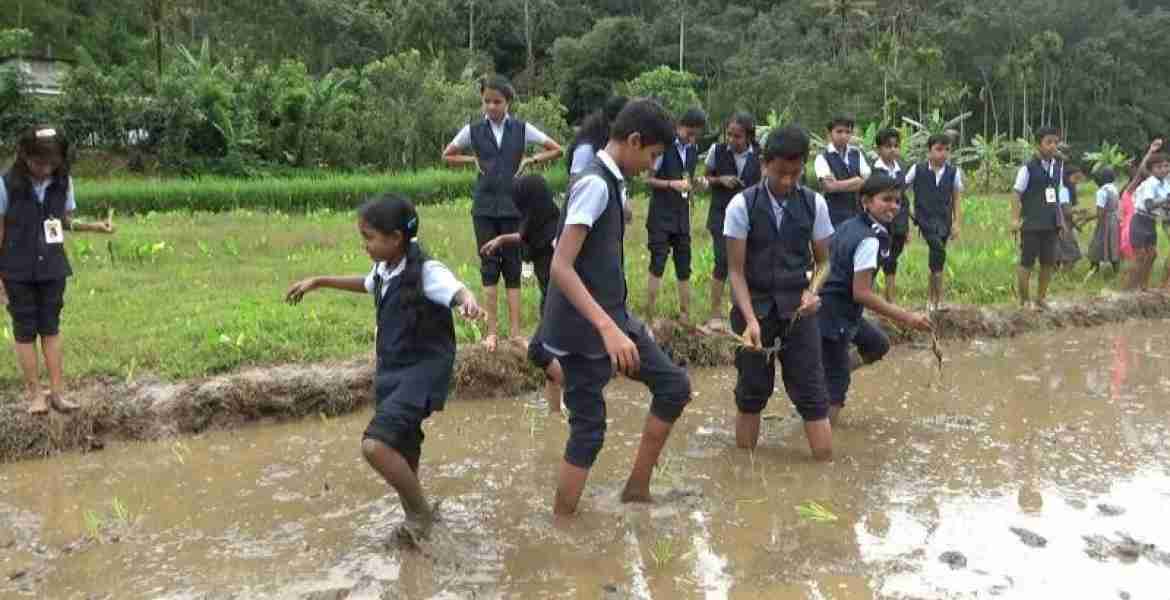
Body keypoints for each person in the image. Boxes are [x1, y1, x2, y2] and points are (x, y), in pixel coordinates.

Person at [286, 194, 484, 539]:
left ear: (396, 238)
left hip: (422, 371)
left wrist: (468, 303)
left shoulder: (426, 270)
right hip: (393, 370)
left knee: (375, 446)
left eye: (369, 238)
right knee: (405, 447)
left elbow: (457, 290)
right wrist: (319, 281)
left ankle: (422, 517)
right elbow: (365, 283)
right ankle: (418, 526)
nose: (365, 246)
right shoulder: (384, 269)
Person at [540, 99, 692, 517]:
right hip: (585, 331)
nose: (654, 166)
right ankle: (563, 523)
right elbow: (560, 265)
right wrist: (607, 328)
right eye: (654, 156)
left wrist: (616, 320)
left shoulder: (613, 182)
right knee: (588, 432)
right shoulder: (594, 184)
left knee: (675, 387)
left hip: (614, 318)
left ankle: (637, 490)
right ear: (635, 141)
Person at [724, 125, 836, 460]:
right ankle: (744, 472)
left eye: (795, 173)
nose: (788, 181)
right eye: (780, 173)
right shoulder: (741, 206)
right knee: (751, 392)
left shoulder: (814, 203)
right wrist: (749, 320)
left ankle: (825, 470)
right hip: (753, 307)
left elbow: (824, 262)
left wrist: (813, 292)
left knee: (814, 394)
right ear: (764, 164)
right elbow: (735, 271)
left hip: (798, 312)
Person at [442, 75, 563, 352]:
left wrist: (531, 159)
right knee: (489, 268)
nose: (491, 107)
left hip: (513, 209)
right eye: (487, 102)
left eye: (497, 102)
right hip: (484, 209)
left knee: (513, 268)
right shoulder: (472, 131)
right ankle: (492, 333)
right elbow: (448, 154)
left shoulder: (521, 129)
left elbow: (556, 149)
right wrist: (471, 159)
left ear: (508, 102)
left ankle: (517, 333)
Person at [0, 126, 115, 415]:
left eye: (53, 163)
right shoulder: (6, 184)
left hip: (52, 267)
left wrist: (94, 227)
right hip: (17, 269)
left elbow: (62, 220)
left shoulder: (64, 182)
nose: (46, 168)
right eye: (39, 162)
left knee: (51, 327)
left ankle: (57, 393)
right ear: (24, 156)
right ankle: (35, 395)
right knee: (25, 330)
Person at [819, 174, 933, 423]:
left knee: (877, 344)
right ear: (866, 202)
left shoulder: (851, 225)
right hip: (835, 314)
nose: (893, 206)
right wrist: (907, 317)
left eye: (898, 201)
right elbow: (861, 293)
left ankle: (827, 374)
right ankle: (821, 434)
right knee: (836, 392)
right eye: (886, 200)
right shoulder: (869, 239)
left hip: (842, 310)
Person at [478, 175, 564, 415]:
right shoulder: (544, 221)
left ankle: (581, 393)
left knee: (538, 351)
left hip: (561, 302)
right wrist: (502, 239)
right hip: (550, 298)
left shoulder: (558, 236)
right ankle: (555, 415)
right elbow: (526, 236)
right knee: (552, 356)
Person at [644, 107, 707, 323]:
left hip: (681, 216)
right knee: (658, 262)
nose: (692, 138)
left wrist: (696, 184)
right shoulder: (664, 146)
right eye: (689, 133)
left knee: (684, 264)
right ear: (680, 126)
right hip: (661, 215)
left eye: (695, 135)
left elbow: (687, 178)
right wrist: (671, 184)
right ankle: (649, 315)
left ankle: (685, 314)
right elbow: (648, 179)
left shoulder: (692, 150)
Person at [702, 111, 762, 333]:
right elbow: (704, 179)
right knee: (722, 262)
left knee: (746, 264)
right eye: (729, 135)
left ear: (748, 136)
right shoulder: (716, 151)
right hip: (721, 215)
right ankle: (715, 313)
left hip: (751, 217)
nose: (731, 140)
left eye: (737, 136)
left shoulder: (760, 155)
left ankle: (740, 311)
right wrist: (720, 179)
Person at [905, 133, 965, 311]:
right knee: (938, 250)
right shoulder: (917, 169)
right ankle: (937, 300)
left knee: (936, 257)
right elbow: (900, 189)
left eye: (947, 150)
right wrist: (909, 215)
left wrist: (957, 223)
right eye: (938, 149)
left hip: (944, 221)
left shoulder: (953, 172)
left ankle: (933, 300)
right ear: (929, 151)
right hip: (924, 220)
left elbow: (956, 199)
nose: (943, 154)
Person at [1012, 126, 1069, 309]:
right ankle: (1024, 300)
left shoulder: (1058, 168)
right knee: (1027, 262)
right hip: (1031, 223)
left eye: (1055, 142)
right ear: (1039, 145)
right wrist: (1014, 219)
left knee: (1048, 262)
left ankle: (1041, 298)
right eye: (1048, 142)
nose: (1052, 146)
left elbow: (1057, 196)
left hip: (1051, 223)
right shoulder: (1027, 169)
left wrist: (1060, 221)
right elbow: (1016, 194)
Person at [871, 128, 910, 303]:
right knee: (879, 259)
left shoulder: (900, 170)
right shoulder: (875, 172)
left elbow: (904, 199)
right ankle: (875, 298)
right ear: (879, 149)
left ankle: (889, 298)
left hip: (899, 223)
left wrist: (906, 226)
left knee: (893, 258)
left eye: (896, 146)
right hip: (882, 223)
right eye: (888, 146)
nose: (893, 150)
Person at [815, 115, 871, 226]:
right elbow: (829, 187)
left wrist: (838, 184)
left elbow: (867, 181)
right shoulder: (822, 157)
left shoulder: (857, 154)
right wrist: (856, 181)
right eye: (839, 131)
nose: (844, 135)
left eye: (848, 132)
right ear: (830, 133)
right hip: (833, 217)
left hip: (858, 214)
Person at [1127, 152, 1170, 290]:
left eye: (1166, 166)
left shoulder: (1165, 183)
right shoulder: (1150, 183)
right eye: (1159, 167)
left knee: (1152, 255)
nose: (1163, 169)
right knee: (1140, 256)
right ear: (1152, 170)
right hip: (1140, 220)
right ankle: (1131, 287)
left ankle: (1143, 286)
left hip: (1151, 222)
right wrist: (1165, 201)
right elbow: (1149, 205)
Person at [1087, 168, 1122, 276]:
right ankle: (1117, 271)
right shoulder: (1114, 189)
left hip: (1105, 221)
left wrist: (1086, 219)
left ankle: (1094, 269)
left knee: (1096, 244)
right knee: (1113, 244)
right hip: (1114, 219)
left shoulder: (1101, 192)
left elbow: (1100, 213)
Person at [1056, 164, 1086, 269]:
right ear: (1067, 177)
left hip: (1064, 224)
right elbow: (1067, 211)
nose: (1076, 182)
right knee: (1070, 253)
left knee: (1061, 251)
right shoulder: (1063, 191)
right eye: (1075, 178)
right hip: (1063, 224)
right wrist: (1079, 211)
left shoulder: (1065, 190)